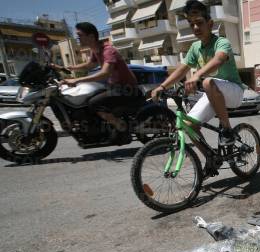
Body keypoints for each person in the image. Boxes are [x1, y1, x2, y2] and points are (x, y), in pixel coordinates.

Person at [151, 0, 244, 146]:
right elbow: (181, 70)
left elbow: (218, 59)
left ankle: (227, 130)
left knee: (207, 82)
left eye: (199, 22)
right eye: (191, 24)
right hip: (213, 94)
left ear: (210, 23)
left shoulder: (221, 42)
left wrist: (196, 75)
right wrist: (162, 87)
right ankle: (210, 160)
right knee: (188, 125)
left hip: (234, 92)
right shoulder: (195, 47)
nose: (195, 27)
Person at [60, 22, 143, 138]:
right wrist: (70, 68)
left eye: (80, 35)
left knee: (94, 103)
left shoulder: (108, 50)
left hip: (126, 88)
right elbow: (90, 65)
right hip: (114, 87)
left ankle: (122, 128)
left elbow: (105, 73)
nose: (77, 38)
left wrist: (76, 80)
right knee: (88, 98)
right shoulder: (95, 50)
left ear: (91, 37)